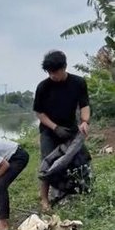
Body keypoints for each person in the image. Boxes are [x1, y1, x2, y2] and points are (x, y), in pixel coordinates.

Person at [32, 50, 90, 211]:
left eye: (55, 72)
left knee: (80, 158)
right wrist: (55, 127)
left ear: (64, 67)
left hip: (70, 129)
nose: (52, 76)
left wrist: (85, 122)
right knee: (47, 162)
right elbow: (39, 113)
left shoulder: (78, 82)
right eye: (49, 72)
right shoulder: (43, 87)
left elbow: (84, 104)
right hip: (49, 130)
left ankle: (77, 190)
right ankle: (44, 199)